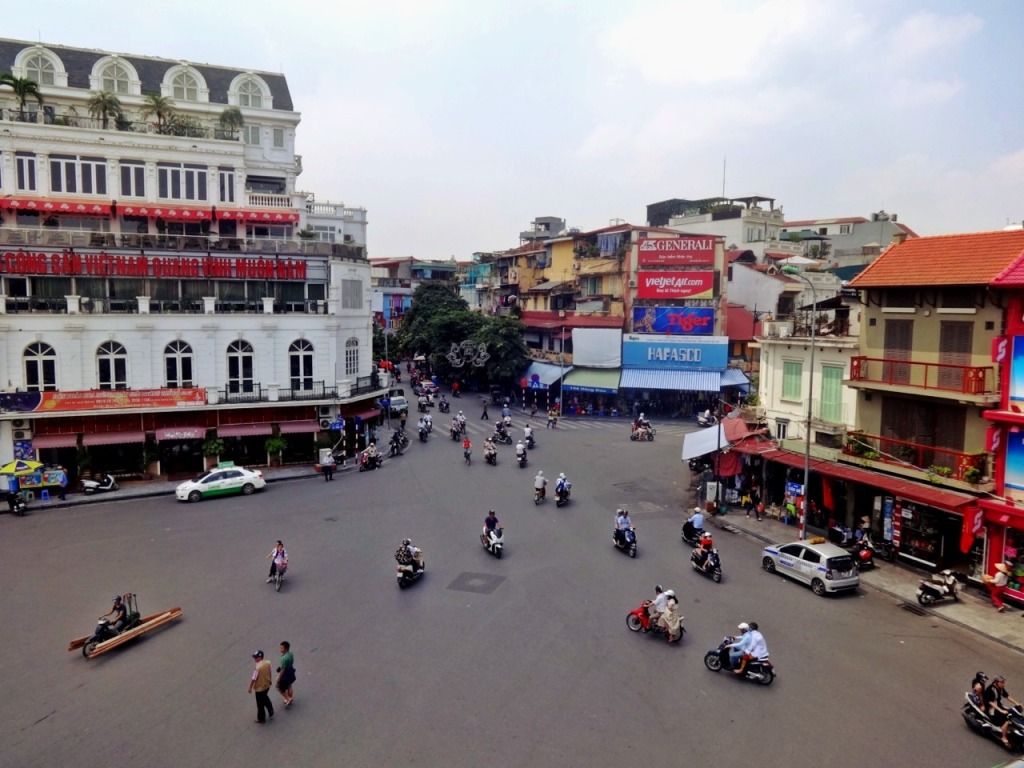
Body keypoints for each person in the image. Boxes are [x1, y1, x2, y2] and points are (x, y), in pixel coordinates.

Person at [984, 675, 1021, 747]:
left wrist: (1016, 703)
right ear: (996, 682)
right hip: (992, 710)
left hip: (1000, 706)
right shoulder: (990, 689)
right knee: (1008, 720)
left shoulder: (1000, 688)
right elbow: (990, 702)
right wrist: (1001, 710)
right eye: (1002, 682)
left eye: (1004, 682)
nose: (1004, 684)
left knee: (1015, 712)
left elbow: (1007, 696)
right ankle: (1003, 737)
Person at [248, 650, 275, 724]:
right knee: (265, 697)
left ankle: (261, 718)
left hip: (260, 688)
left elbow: (254, 678)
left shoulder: (258, 668)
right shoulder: (268, 663)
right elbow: (270, 671)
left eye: (256, 657)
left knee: (260, 704)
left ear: (260, 657)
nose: (255, 659)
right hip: (267, 685)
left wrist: (250, 687)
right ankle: (270, 710)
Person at [276, 641, 296, 708]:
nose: (280, 649)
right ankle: (289, 698)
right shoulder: (291, 654)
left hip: (286, 674)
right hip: (291, 671)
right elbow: (292, 662)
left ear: (286, 649)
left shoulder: (283, 658)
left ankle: (288, 698)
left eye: (282, 648)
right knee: (289, 685)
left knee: (278, 687)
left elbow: (282, 669)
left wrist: (279, 677)